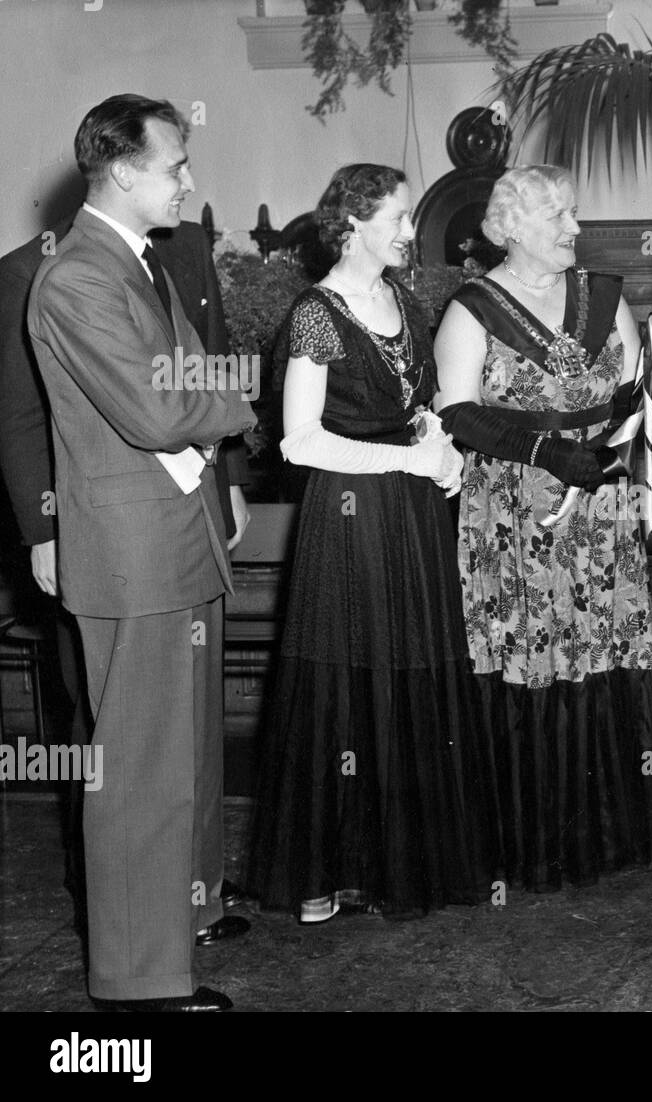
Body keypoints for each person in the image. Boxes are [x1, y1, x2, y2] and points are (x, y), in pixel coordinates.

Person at [27, 94, 255, 1011]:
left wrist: (216, 398)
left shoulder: (143, 264)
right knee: (137, 771)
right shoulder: (80, 277)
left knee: (187, 753)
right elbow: (159, 409)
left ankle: (185, 911)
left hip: (177, 537)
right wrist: (243, 407)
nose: (188, 182)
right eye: (174, 166)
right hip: (134, 553)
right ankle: (135, 975)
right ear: (123, 170)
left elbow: (191, 375)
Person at [246, 164, 494, 922]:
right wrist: (407, 457)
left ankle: (405, 865)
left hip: (412, 520)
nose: (409, 232)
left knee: (412, 675)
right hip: (347, 516)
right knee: (346, 687)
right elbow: (298, 440)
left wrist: (439, 446)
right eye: (394, 217)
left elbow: (414, 405)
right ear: (349, 224)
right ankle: (328, 871)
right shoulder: (316, 314)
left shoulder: (405, 299)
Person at [433, 164, 652, 892]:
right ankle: (531, 840)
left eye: (574, 213)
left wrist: (598, 465)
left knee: (599, 645)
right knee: (533, 649)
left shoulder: (604, 294)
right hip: (513, 510)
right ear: (512, 229)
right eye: (559, 218)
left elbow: (639, 393)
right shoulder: (471, 307)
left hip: (599, 504)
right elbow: (458, 411)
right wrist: (550, 456)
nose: (576, 229)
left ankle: (604, 830)